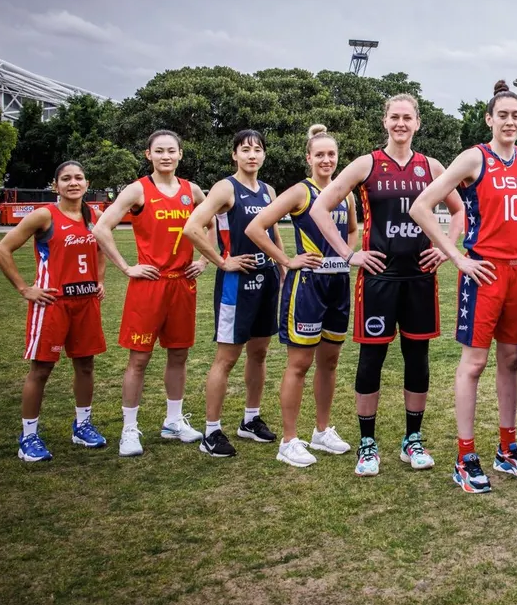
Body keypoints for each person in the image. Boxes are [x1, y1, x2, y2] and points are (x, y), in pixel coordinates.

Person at [313, 94, 464, 477]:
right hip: (378, 279)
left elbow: (459, 210)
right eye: (394, 117)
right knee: (371, 360)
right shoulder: (367, 163)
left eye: (407, 118)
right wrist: (350, 256)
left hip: (419, 279)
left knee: (417, 358)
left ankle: (412, 440)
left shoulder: (430, 166)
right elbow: (320, 208)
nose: (400, 123)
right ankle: (368, 444)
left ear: (417, 123)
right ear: (385, 122)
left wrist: (446, 250)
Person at [409, 80, 517, 494]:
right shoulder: (473, 158)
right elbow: (421, 206)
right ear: (489, 119)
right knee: (474, 364)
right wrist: (458, 257)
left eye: (516, 115)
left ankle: (507, 448)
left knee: (511, 360)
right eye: (502, 115)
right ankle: (465, 456)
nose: (509, 121)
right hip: (484, 273)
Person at [244, 125, 360, 467]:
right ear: (308, 158)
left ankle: (322, 431)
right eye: (319, 154)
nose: (326, 160)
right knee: (300, 364)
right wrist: (287, 260)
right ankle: (289, 440)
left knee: (330, 361)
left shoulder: (346, 193)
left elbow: (352, 229)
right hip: (307, 286)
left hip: (336, 284)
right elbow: (256, 227)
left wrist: (345, 254)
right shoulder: (300, 192)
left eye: (331, 154)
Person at [93, 130, 208, 457]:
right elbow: (101, 227)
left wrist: (203, 260)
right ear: (148, 155)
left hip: (182, 284)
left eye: (172, 151)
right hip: (149, 284)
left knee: (179, 354)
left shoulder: (192, 191)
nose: (166, 156)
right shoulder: (137, 190)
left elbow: (215, 222)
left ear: (181, 155)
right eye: (159, 151)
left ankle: (173, 421)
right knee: (139, 359)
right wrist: (127, 267)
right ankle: (129, 429)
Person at [0, 161, 108, 462]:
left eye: (79, 178)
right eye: (66, 178)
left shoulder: (93, 215)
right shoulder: (44, 215)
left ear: (86, 183)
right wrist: (24, 288)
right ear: (55, 185)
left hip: (85, 303)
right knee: (41, 369)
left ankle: (82, 425)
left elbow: (100, 250)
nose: (73, 183)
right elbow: (1, 250)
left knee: (85, 366)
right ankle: (28, 436)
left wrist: (99, 280)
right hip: (52, 304)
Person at [184, 129, 282, 457]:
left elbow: (274, 233)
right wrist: (222, 262)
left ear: (264, 155)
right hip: (236, 285)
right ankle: (211, 432)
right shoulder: (226, 188)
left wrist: (280, 271)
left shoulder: (268, 190)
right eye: (245, 150)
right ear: (234, 155)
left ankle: (250, 420)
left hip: (266, 280)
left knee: (259, 352)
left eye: (257, 150)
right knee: (226, 358)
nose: (252, 155)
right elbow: (193, 227)